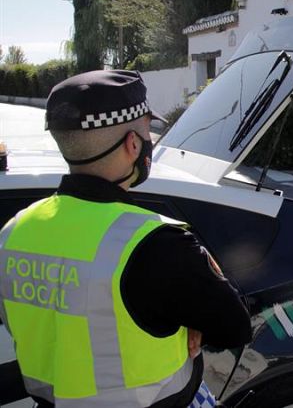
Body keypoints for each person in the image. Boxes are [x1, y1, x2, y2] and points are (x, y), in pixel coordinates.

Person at [0, 70, 252, 407]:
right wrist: (192, 318)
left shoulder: (14, 231)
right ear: (133, 144)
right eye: (148, 130)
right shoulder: (157, 244)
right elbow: (235, 327)